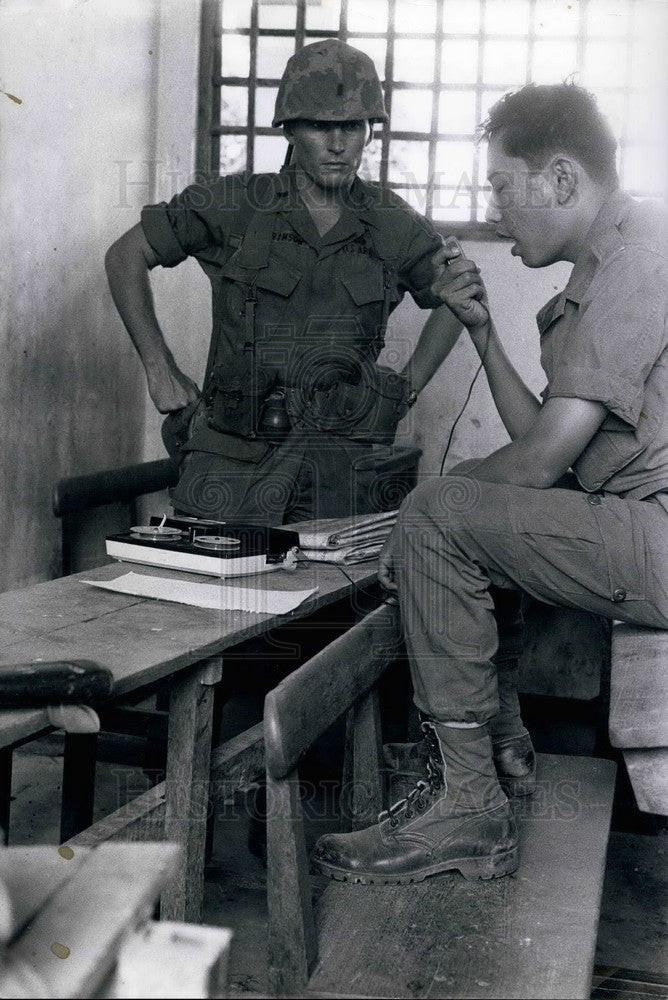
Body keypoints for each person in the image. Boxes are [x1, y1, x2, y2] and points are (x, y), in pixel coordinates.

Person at [311, 81, 668, 883]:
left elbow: (540, 465)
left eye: (504, 186)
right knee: (464, 506)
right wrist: (481, 334)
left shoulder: (641, 258)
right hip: (643, 528)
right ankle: (497, 745)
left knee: (440, 511)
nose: (498, 209)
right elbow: (544, 441)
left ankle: (468, 803)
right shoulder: (618, 257)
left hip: (660, 537)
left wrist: (419, 517)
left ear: (562, 180)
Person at [105, 38, 463, 526]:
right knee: (206, 595)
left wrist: (407, 387)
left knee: (330, 597)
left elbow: (458, 292)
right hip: (230, 463)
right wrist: (158, 366)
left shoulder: (391, 222)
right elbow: (126, 255)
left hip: (338, 470)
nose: (338, 144)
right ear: (291, 129)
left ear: (369, 132)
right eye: (321, 126)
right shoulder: (237, 204)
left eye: (352, 126)